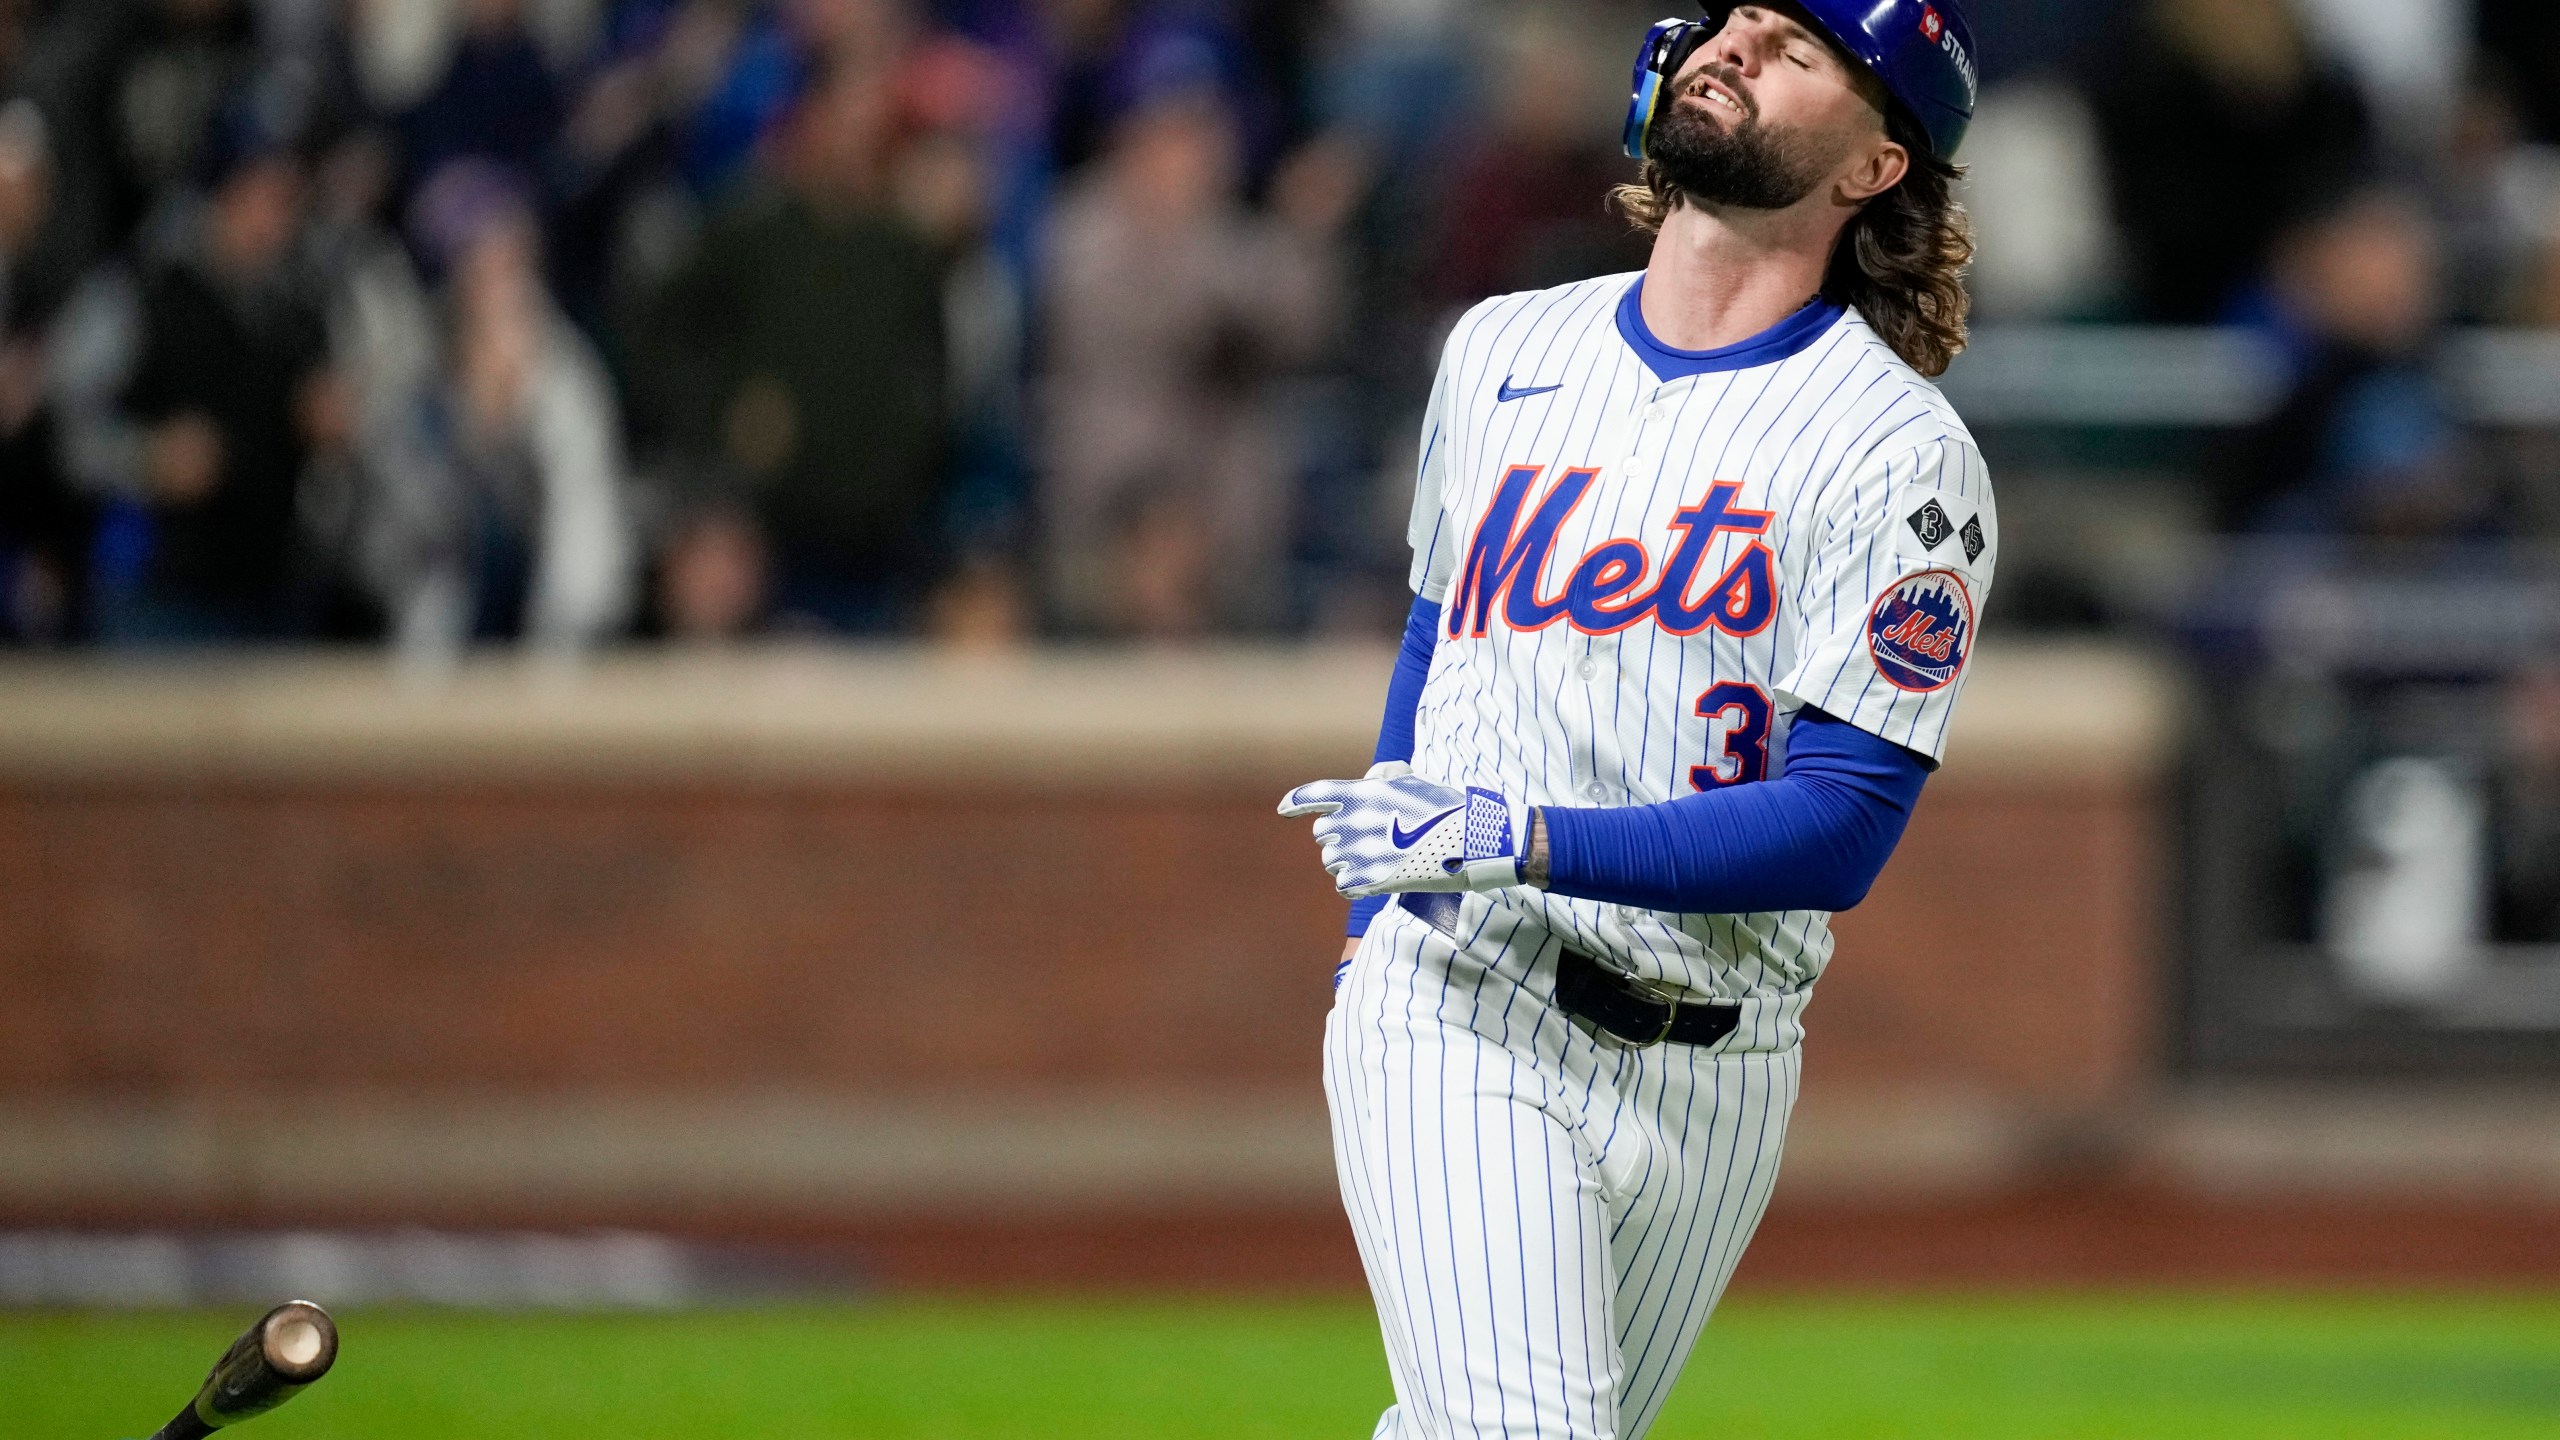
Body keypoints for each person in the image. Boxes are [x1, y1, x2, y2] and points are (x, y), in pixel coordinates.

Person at [1277, 6, 1993, 1436]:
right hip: (1465, 1004)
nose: (1735, 45)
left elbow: (1842, 820)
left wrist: (1521, 832)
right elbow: (1440, 632)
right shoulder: (1499, 348)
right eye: (1735, 20)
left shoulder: (1902, 455)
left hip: (1720, 1071)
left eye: (1797, 51)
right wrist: (1384, 930)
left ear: (1872, 169)